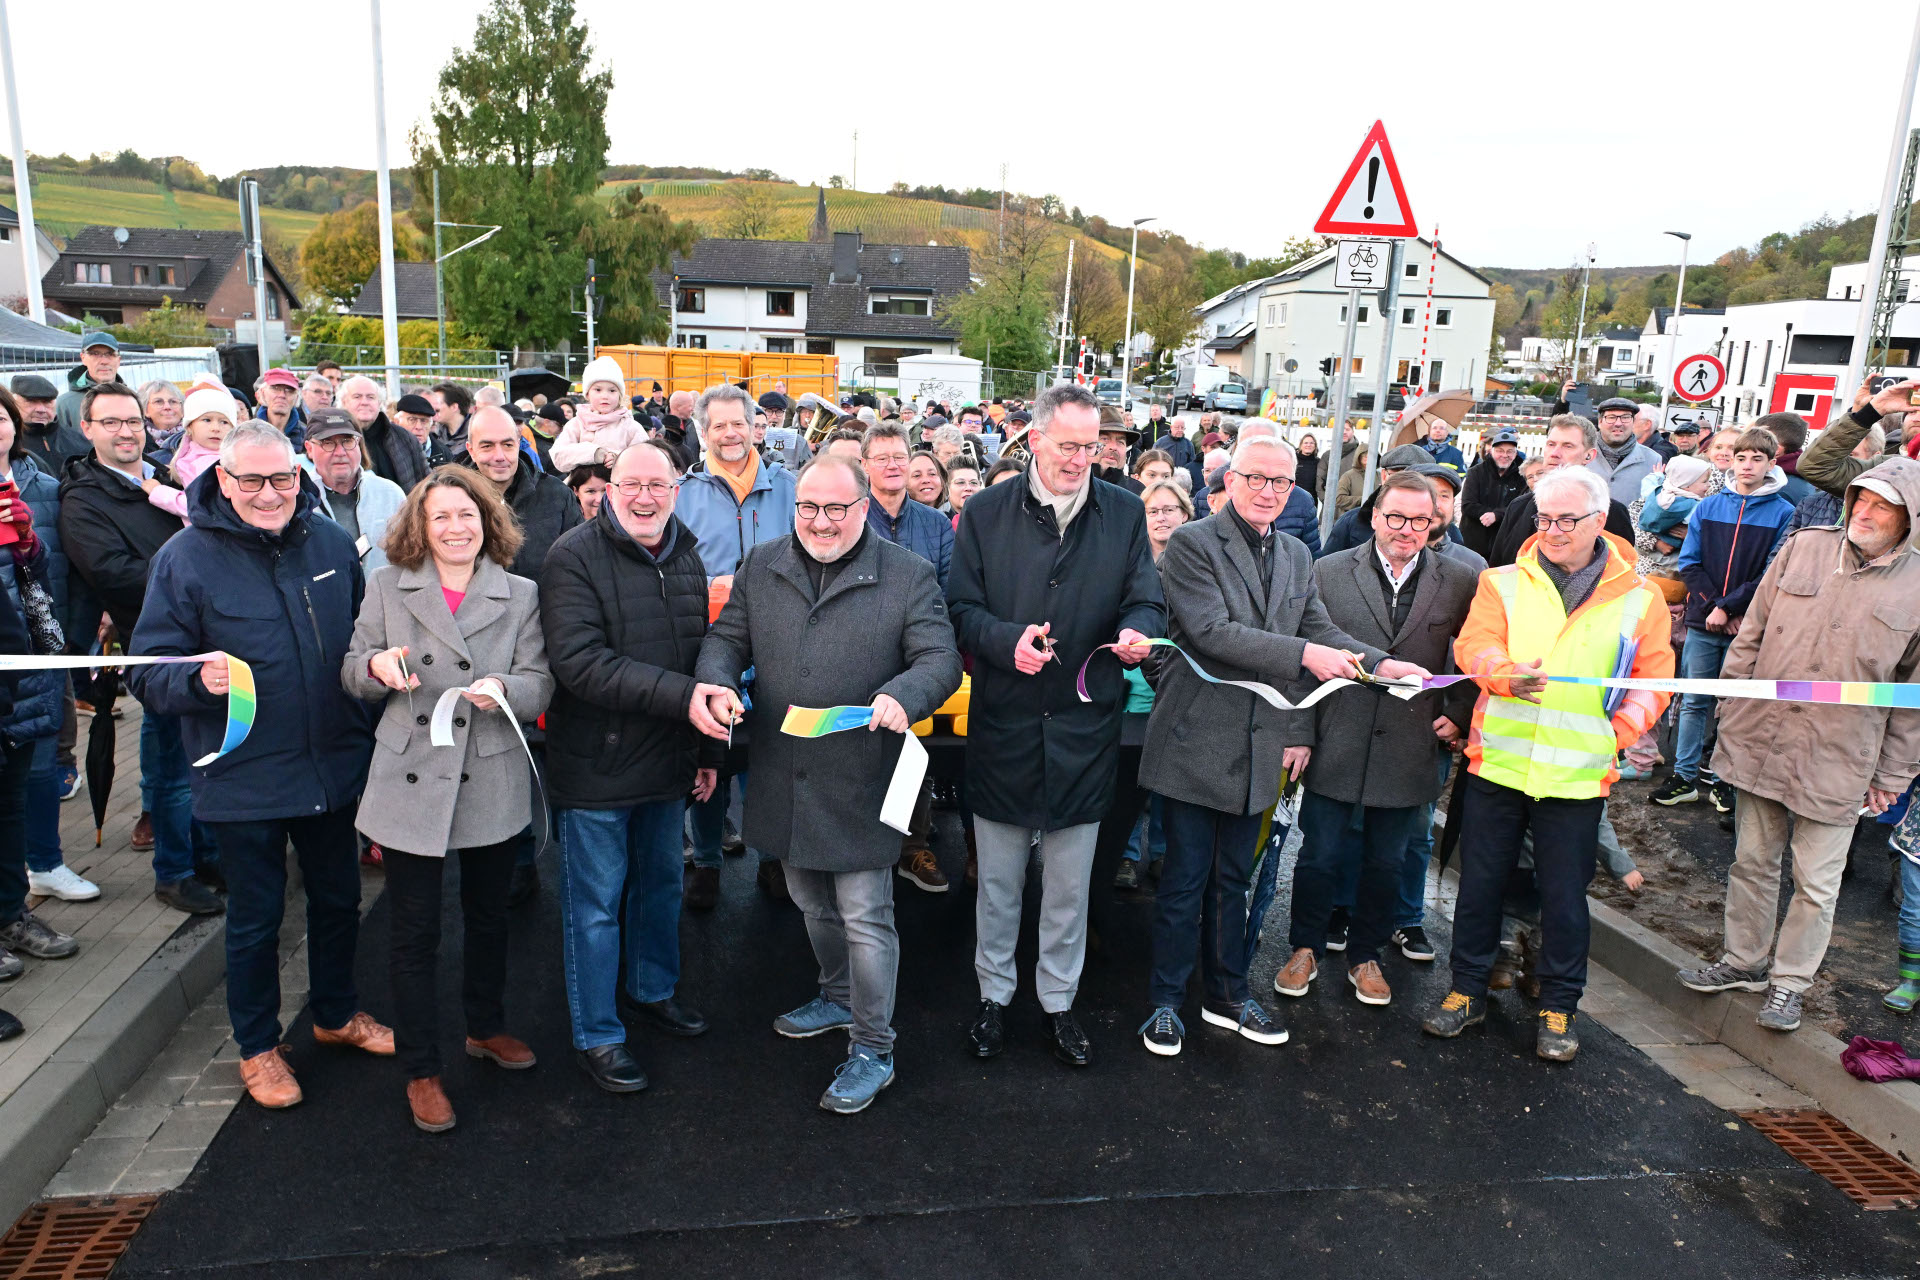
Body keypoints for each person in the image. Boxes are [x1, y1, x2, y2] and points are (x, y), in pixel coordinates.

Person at [128, 422, 394, 1110]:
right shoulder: (184, 559)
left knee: (339, 901)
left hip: (331, 766)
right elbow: (146, 674)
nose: (270, 494)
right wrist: (195, 681)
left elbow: (361, 641)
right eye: (252, 480)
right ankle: (257, 1047)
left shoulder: (332, 543)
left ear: (298, 475)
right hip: (242, 775)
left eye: (282, 478)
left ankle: (335, 1015)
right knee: (257, 917)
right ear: (223, 479)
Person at [1136, 440, 1426, 1056]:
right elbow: (1213, 632)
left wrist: (1384, 666)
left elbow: (1318, 628)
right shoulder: (1192, 543)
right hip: (1197, 737)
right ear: (1230, 479)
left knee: (1233, 878)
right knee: (1185, 878)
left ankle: (1227, 994)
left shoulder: (1296, 552)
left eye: (1283, 482)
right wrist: (1304, 657)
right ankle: (1164, 1002)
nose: (1270, 491)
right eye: (1258, 478)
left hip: (1260, 738)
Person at [693, 456, 960, 1113]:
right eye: (808, 507)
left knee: (867, 915)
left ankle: (874, 1048)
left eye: (835, 509)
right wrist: (720, 681)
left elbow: (941, 660)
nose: (819, 520)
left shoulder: (908, 575)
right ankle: (837, 996)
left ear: (863, 509)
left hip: (864, 776)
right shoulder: (763, 564)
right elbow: (726, 640)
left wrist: (905, 693)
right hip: (786, 769)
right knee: (809, 896)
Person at [1423, 466, 1673, 1062]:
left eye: (1567, 519)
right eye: (1544, 518)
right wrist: (1503, 677)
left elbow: (1655, 679)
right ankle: (1465, 991)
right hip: (1499, 764)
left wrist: (1618, 732)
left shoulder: (1640, 598)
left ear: (1599, 521)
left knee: (1565, 897)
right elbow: (1473, 646)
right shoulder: (1504, 581)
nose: (1553, 530)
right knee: (1480, 887)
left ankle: (1559, 1007)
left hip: (1577, 774)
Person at [948, 383, 1164, 1067]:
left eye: (1092, 447)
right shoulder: (984, 512)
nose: (1081, 460)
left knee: (1069, 888)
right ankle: (993, 997)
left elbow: (1146, 599)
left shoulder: (1124, 513)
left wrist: (1136, 631)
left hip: (1083, 728)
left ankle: (1059, 1003)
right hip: (1006, 721)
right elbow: (958, 608)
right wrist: (1003, 639)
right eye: (1068, 446)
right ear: (1034, 439)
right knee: (1000, 883)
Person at [1676, 459, 1920, 1032]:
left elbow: (1913, 695)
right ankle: (1743, 961)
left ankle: (1790, 984)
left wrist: (1893, 774)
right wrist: (1732, 706)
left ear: (1907, 517)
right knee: (1752, 861)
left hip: (1842, 753)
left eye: (1880, 505)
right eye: (1860, 499)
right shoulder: (1805, 547)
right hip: (1763, 736)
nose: (1863, 511)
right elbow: (1752, 631)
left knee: (1816, 881)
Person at [344, 467, 552, 1133]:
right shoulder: (387, 586)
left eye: (467, 514)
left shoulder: (520, 593)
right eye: (441, 517)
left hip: (488, 769)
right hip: (412, 775)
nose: (456, 527)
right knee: (414, 932)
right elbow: (353, 668)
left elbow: (540, 682)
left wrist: (506, 691)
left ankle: (484, 1027)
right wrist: (376, 668)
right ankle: (422, 1067)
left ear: (487, 520)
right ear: (420, 527)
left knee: (489, 918)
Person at [541, 441, 729, 1093]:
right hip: (597, 765)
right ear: (607, 488)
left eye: (659, 484)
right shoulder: (571, 558)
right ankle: (598, 1032)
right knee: (594, 907)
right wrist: (688, 704)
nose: (646, 496)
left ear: (678, 488)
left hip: (669, 759)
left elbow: (699, 654)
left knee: (660, 889)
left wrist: (706, 751)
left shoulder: (686, 552)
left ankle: (653, 989)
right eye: (633, 484)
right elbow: (580, 662)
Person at [1271, 472, 1476, 1018]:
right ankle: (1304, 949)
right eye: (1395, 517)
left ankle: (1366, 956)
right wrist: (1297, 732)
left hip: (1410, 743)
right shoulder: (1330, 571)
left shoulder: (1460, 580)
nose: (1406, 529)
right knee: (1319, 854)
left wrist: (1458, 714)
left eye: (1419, 519)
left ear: (1435, 522)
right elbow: (1302, 654)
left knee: (1388, 860)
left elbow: (1473, 656)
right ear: (1375, 517)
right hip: (1336, 732)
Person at [58, 382, 223, 914]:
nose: (125, 431)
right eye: (111, 423)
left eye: (131, 420)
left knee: (208, 760)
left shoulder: (165, 473)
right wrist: (199, 585)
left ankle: (209, 856)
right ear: (88, 429)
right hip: (159, 648)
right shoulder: (84, 497)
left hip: (207, 640)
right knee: (174, 772)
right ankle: (174, 873)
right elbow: (112, 572)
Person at [673, 384, 798, 906]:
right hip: (711, 642)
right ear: (702, 432)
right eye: (718, 425)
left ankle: (773, 857)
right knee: (712, 752)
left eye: (738, 423)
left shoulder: (790, 486)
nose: (730, 433)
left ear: (756, 427)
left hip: (782, 640)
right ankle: (705, 860)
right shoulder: (684, 492)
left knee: (774, 756)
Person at [1652, 427, 1796, 810]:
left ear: (1771, 463)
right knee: (1695, 700)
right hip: (1704, 619)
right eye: (1740, 457)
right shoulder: (1709, 506)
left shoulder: (1783, 512)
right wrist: (1716, 606)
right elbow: (1690, 562)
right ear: (1731, 462)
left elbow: (1771, 573)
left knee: (1734, 705)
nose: (1747, 465)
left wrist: (1733, 609)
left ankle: (1722, 780)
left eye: (1756, 459)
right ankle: (1684, 777)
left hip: (1745, 627)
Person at [0, 389, 91, 903]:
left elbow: (69, 567)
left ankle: (45, 864)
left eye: (0, 417)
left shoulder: (46, 487)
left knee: (36, 770)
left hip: (42, 646)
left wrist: (70, 635)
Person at [1098, 478, 1193, 899]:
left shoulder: (1195, 568)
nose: (1161, 517)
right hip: (1123, 696)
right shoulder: (1124, 562)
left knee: (1169, 779)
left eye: (1170, 509)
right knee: (1125, 780)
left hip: (1171, 694)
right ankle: (1125, 852)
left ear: (1187, 515)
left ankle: (1160, 853)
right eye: (1153, 510)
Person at [1487, 416, 1634, 567]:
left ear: (1589, 455)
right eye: (1551, 444)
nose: (1555, 453)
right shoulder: (1518, 507)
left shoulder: (1611, 512)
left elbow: (1621, 573)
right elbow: (1498, 567)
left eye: (1568, 446)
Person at [299, 407, 405, 574]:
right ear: (309, 449)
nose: (340, 452)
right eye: (328, 443)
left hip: (381, 598)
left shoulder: (390, 494)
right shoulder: (297, 497)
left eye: (347, 441)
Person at [1321, 444, 1443, 556]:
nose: (1407, 485)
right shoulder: (1350, 522)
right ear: (1384, 476)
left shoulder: (1443, 529)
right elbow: (1328, 571)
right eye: (1399, 476)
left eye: (1416, 479)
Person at [143, 388, 232, 522]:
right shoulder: (189, 455)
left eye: (224, 422)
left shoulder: (223, 463)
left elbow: (207, 510)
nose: (216, 428)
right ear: (189, 426)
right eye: (207, 420)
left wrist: (159, 493)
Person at [552, 358, 644, 472]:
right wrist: (594, 453)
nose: (605, 395)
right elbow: (558, 456)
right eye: (598, 390)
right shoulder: (577, 423)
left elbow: (645, 458)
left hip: (620, 487)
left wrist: (619, 458)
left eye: (612, 390)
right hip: (581, 487)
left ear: (620, 394)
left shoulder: (630, 425)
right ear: (587, 393)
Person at [340, 375, 429, 493]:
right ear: (344, 402)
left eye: (371, 397)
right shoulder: (331, 438)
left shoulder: (404, 437)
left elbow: (425, 482)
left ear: (379, 402)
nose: (364, 402)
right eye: (357, 397)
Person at [1637, 454, 1712, 582]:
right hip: (1674, 552)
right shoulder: (1693, 506)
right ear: (1687, 485)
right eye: (1704, 482)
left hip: (1648, 548)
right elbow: (1702, 524)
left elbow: (1647, 485)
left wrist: (1657, 476)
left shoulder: (1659, 493)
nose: (1708, 485)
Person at [1461, 428, 1526, 559]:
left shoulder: (1522, 476)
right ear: (1491, 451)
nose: (1505, 455)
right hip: (1473, 542)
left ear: (1515, 453)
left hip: (1504, 543)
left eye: (1510, 451)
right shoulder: (1476, 472)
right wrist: (1487, 514)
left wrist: (1497, 515)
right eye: (1500, 451)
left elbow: (1521, 507)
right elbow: (1468, 505)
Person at [1584, 397, 1662, 506]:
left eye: (1625, 417)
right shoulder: (1581, 453)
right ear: (1600, 422)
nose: (1618, 423)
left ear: (1633, 422)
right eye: (1611, 417)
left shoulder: (1653, 460)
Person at [54, 333, 121, 441]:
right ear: (83, 358)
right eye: (95, 354)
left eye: (110, 354)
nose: (104, 361)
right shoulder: (64, 404)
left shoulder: (132, 399)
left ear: (118, 360)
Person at [13, 375, 83, 473]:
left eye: (47, 402)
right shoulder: (8, 444)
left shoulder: (77, 440)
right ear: (14, 403)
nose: (41, 410)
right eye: (31, 401)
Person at [1761, 412, 1816, 506]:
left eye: (1757, 439)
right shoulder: (1799, 472)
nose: (1749, 444)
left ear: (1776, 449)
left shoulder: (1777, 487)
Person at [392, 394, 451, 471]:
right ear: (397, 422)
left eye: (424, 421)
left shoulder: (443, 453)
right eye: (412, 420)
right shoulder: (384, 450)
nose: (419, 427)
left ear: (431, 424)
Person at [255, 368, 308, 448]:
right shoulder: (247, 433)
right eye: (275, 388)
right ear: (263, 393)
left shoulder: (307, 436)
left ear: (296, 398)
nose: (282, 395)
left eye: (289, 390)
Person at [1151, 414, 1204, 495]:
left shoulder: (1188, 444)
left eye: (1182, 428)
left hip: (1181, 483)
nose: (1180, 430)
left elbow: (1192, 464)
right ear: (1171, 427)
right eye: (1177, 427)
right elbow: (1153, 462)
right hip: (1164, 480)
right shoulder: (1160, 443)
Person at [1094, 408, 1143, 494]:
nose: (1113, 447)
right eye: (1105, 439)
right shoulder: (1070, 486)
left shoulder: (1139, 492)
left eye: (1120, 442)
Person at [426, 382, 474, 459]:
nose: (432, 408)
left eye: (437, 403)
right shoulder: (433, 433)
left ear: (454, 407)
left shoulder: (475, 434)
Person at [137, 379, 186, 453]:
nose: (167, 407)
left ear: (182, 409)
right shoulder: (138, 441)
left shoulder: (196, 436)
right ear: (145, 410)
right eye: (158, 401)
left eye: (173, 401)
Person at [1293, 431, 1323, 502]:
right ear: (1301, 445)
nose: (1308, 445)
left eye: (1311, 443)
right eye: (1306, 443)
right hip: (1293, 498)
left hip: (1311, 500)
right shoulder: (1293, 459)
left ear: (1315, 446)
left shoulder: (1319, 462)